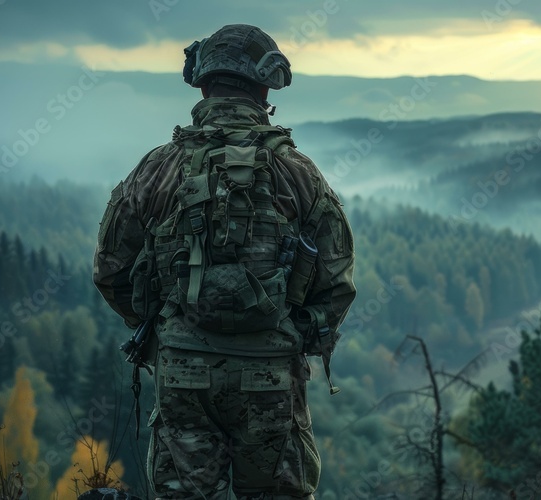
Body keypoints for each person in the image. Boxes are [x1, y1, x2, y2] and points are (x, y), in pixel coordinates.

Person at [93, 24, 356, 500]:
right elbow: (336, 282)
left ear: (202, 84)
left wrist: (160, 326)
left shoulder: (158, 168)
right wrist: (295, 333)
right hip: (271, 375)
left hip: (183, 372)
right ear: (265, 87)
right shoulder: (299, 173)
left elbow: (110, 270)